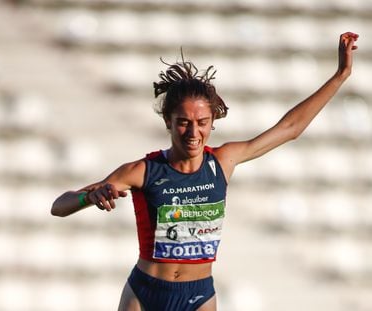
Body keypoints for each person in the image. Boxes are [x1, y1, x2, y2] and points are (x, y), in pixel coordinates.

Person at [51, 32, 359, 311]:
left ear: (213, 122)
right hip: (145, 294)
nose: (193, 132)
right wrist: (90, 197)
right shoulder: (144, 170)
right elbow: (59, 206)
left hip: (197, 296)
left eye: (202, 123)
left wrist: (340, 75)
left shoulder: (223, 161)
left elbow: (290, 128)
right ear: (168, 122)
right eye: (183, 122)